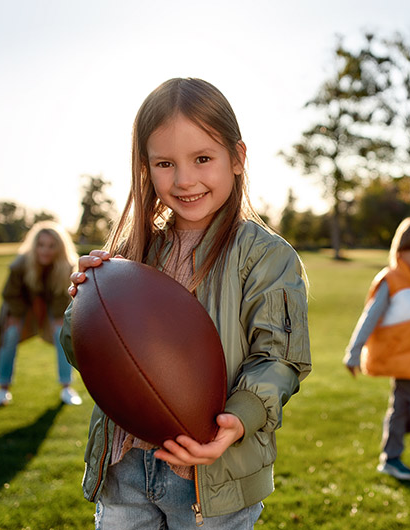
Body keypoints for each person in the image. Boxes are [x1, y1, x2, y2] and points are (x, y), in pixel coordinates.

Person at [60, 78, 311, 529]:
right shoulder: (130, 252)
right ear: (145, 168)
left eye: (202, 158)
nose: (184, 179)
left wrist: (235, 421)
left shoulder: (265, 256)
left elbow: (278, 358)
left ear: (237, 158)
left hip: (212, 476)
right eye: (164, 163)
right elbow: (89, 356)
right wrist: (85, 303)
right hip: (124, 469)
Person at [343, 217, 410, 481]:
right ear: (401, 251)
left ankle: (391, 458)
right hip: (398, 359)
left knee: (400, 407)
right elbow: (370, 317)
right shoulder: (391, 280)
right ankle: (394, 444)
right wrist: (353, 353)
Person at [0, 221, 82, 407]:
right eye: (41, 245)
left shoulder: (66, 266)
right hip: (20, 308)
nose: (45, 250)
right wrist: (15, 317)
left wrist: (56, 319)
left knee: (61, 333)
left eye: (51, 246)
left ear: (60, 247)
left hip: (52, 309)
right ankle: (2, 389)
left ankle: (66, 387)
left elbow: (62, 297)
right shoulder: (20, 264)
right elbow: (11, 294)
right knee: (10, 333)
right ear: (34, 245)